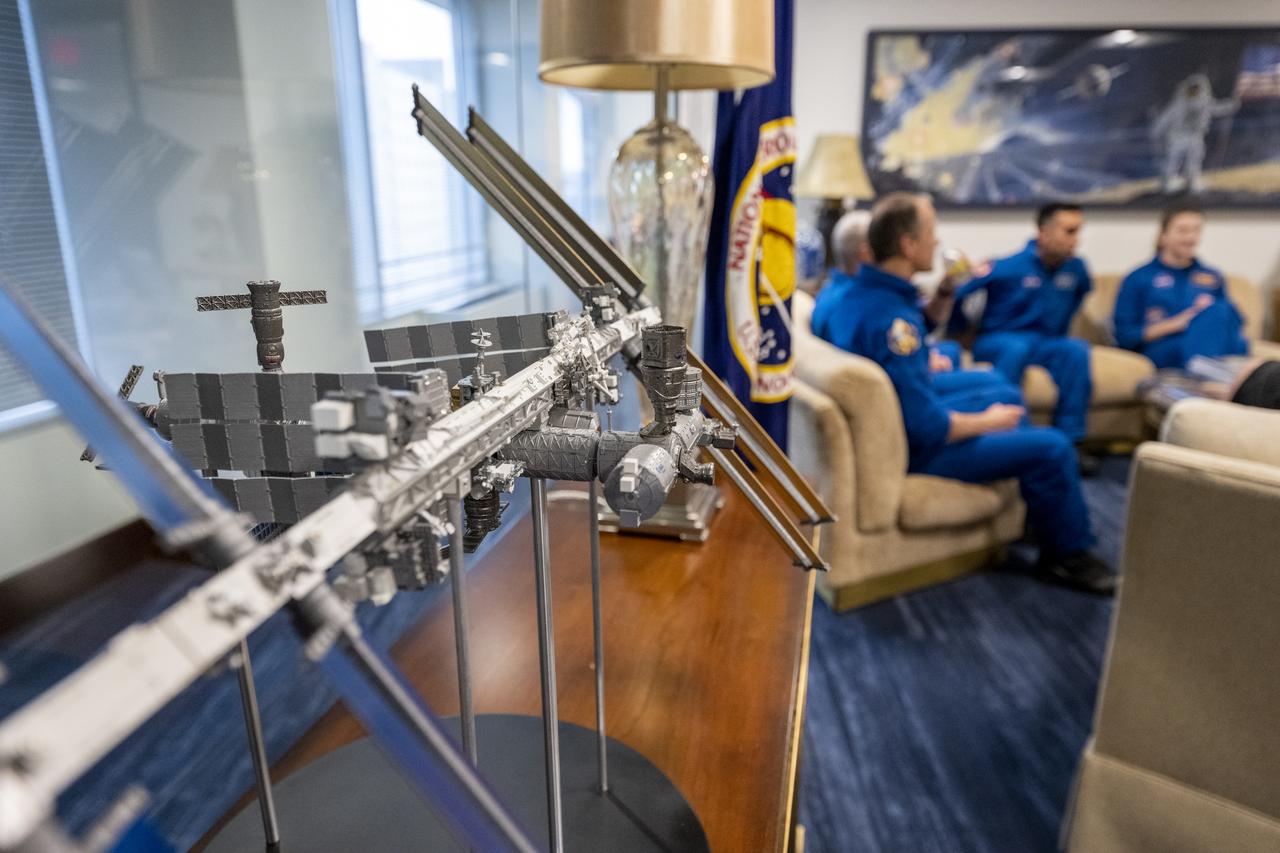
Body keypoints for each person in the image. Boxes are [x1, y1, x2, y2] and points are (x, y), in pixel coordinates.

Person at [812, 193, 1114, 595]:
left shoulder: (865, 295)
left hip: (905, 415)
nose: (937, 243)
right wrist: (991, 422)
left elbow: (915, 345)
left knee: (1000, 390)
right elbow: (928, 427)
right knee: (1054, 445)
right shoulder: (892, 321)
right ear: (908, 245)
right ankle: (1066, 557)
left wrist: (945, 294)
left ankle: (1043, 510)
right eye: (931, 234)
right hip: (919, 445)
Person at [952, 202, 1095, 463]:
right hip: (1000, 339)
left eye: (1078, 232)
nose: (1076, 240)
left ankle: (1070, 442)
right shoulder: (1007, 266)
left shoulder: (1077, 269)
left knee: (1076, 350)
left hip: (1046, 342)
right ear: (1044, 232)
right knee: (1015, 348)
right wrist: (960, 331)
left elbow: (1078, 298)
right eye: (1069, 231)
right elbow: (958, 293)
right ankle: (1016, 434)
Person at [1113, 204, 1248, 370]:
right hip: (1163, 348)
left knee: (1224, 316)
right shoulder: (1138, 278)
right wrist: (1177, 323)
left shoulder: (1212, 276)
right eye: (1183, 231)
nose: (1190, 238)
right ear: (1163, 236)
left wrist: (1205, 316)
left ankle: (1213, 377)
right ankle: (1211, 378)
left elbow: (1233, 321)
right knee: (1216, 319)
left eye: (1196, 230)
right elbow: (1125, 337)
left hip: (1210, 344)